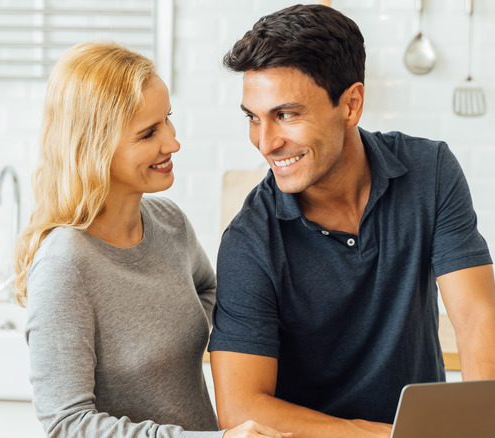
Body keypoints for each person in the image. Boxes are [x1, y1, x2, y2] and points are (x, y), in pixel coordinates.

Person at [209, 4, 495, 438]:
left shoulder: (430, 171)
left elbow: (476, 316)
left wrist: (482, 423)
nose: (265, 142)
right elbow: (240, 408)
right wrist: (389, 436)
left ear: (352, 104)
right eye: (253, 117)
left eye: (286, 114)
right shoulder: (249, 240)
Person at [13, 41, 292, 438]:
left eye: (168, 120)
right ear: (95, 147)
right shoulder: (66, 265)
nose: (172, 143)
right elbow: (67, 423)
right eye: (148, 134)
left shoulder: (168, 222)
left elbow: (211, 293)